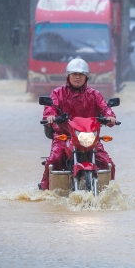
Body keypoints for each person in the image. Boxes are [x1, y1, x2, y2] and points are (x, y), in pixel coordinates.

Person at [39, 58, 117, 191]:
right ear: (68, 76)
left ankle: (110, 192)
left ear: (86, 77)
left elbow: (105, 108)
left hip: (89, 138)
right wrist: (50, 116)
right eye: (74, 74)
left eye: (81, 74)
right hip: (64, 136)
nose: (77, 77)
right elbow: (50, 108)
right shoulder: (58, 93)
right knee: (54, 159)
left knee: (108, 163)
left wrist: (110, 117)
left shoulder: (94, 95)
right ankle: (44, 189)